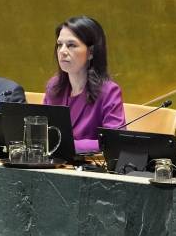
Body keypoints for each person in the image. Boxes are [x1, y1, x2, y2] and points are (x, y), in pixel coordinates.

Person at [43, 15, 125, 154]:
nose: (62, 51)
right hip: (54, 163)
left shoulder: (108, 91)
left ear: (91, 52)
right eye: (59, 44)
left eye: (71, 45)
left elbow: (115, 141)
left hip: (89, 165)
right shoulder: (54, 87)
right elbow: (43, 133)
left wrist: (69, 145)